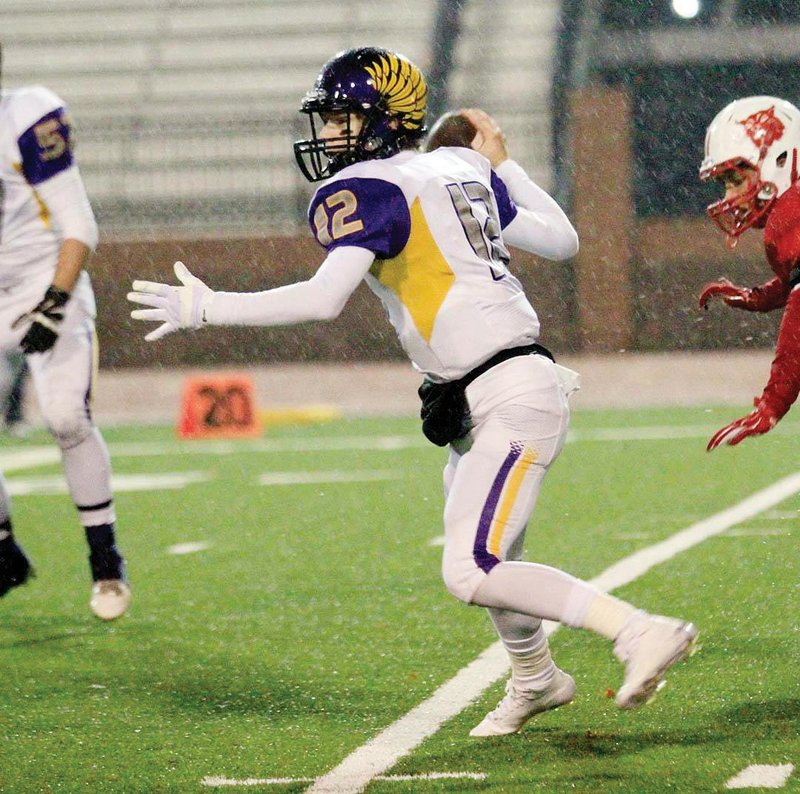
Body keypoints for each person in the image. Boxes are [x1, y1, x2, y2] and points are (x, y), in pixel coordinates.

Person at [128, 46, 696, 735]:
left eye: (340, 118)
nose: (327, 134)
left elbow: (322, 298)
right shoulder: (460, 168)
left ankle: (637, 629)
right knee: (494, 554)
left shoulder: (375, 185)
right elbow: (564, 239)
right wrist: (501, 161)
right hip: (479, 393)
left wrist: (207, 309)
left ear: (378, 120)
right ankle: (537, 678)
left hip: (510, 390)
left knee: (472, 567)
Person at [0, 79, 130, 619]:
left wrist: (53, 304)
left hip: (46, 279)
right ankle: (3, 549)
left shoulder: (25, 115)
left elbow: (80, 225)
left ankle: (106, 564)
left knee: (65, 415)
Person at [699, 96, 800, 450]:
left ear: (780, 160)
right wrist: (754, 298)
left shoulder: (791, 212)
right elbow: (794, 282)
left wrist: (773, 404)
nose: (731, 195)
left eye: (736, 179)